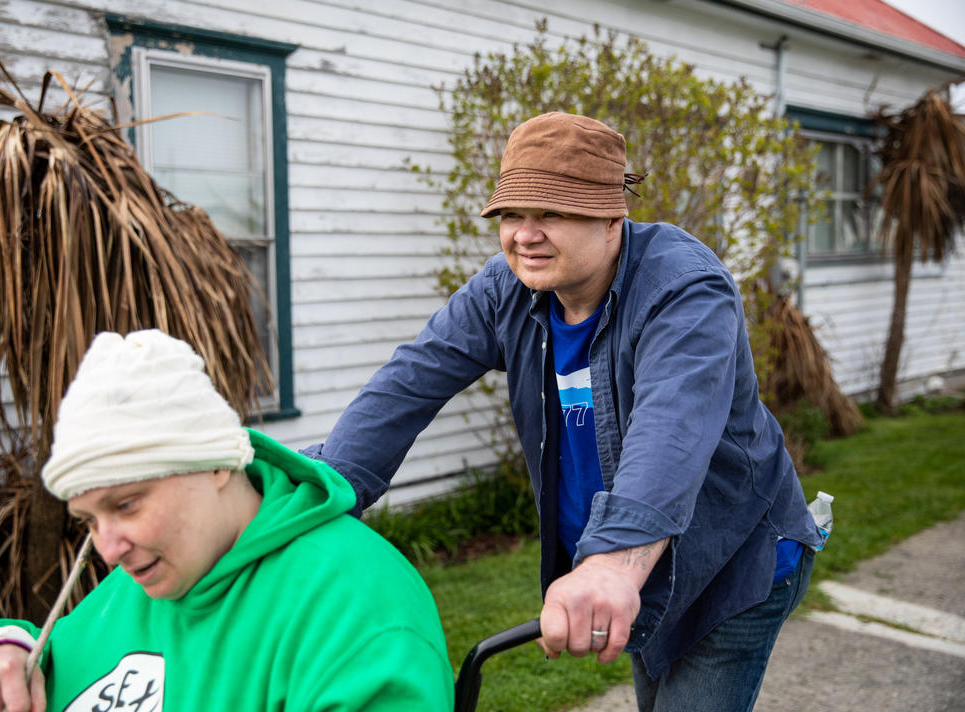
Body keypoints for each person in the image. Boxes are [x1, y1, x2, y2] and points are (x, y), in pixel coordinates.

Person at [305, 112, 823, 711]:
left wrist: (609, 564)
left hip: (732, 564)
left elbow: (671, 430)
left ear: (611, 217)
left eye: (550, 213)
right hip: (634, 571)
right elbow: (411, 380)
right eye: (511, 214)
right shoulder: (507, 290)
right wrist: (321, 489)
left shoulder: (684, 290)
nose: (524, 234)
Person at [0, 329, 453, 712]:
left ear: (219, 463)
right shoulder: (145, 580)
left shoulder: (354, 610)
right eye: (89, 521)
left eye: (126, 505)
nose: (107, 550)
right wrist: (3, 647)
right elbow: (64, 660)